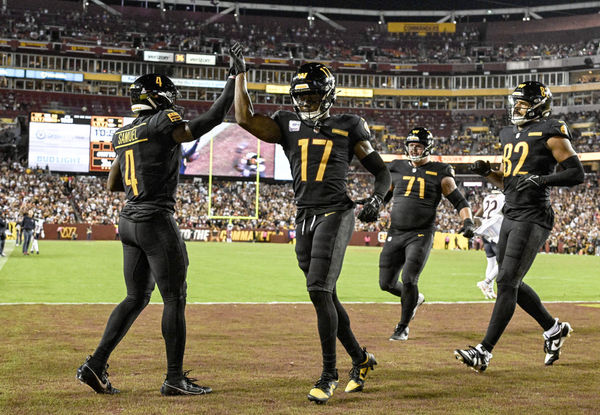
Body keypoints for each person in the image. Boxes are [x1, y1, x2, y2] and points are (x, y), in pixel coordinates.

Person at [76, 46, 243, 396]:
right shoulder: (162, 121)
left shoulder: (123, 134)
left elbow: (112, 183)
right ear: (159, 99)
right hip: (155, 219)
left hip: (128, 220)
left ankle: (96, 363)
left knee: (135, 297)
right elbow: (205, 123)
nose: (173, 105)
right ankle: (174, 378)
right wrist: (232, 78)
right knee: (174, 298)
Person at [233, 44, 391, 405]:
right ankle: (362, 359)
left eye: (313, 95)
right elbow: (244, 118)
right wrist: (240, 75)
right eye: (301, 96)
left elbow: (382, 173)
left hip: (337, 211)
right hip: (304, 214)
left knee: (319, 290)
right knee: (327, 295)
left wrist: (378, 200)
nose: (306, 102)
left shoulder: (349, 125)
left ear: (329, 95)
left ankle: (328, 374)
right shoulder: (287, 123)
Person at [455, 81, 585, 372]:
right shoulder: (508, 134)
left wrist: (543, 180)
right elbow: (509, 183)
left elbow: (576, 173)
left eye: (523, 103)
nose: (517, 107)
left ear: (538, 105)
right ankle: (553, 329)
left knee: (507, 281)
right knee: (508, 280)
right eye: (515, 102)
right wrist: (488, 172)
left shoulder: (551, 129)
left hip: (534, 214)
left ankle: (483, 352)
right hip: (512, 211)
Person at [379, 127, 475, 341]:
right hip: (396, 232)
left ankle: (403, 326)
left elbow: (459, 201)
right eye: (411, 145)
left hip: (420, 234)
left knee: (409, 279)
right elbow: (385, 195)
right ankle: (415, 300)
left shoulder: (441, 171)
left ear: (427, 147)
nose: (414, 149)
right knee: (385, 283)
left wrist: (467, 221)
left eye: (418, 146)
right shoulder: (396, 167)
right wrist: (373, 206)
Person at [474, 189, 505, 299]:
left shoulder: (487, 198)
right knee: (503, 261)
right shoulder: (503, 198)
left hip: (486, 232)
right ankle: (486, 282)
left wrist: (482, 227)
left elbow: (476, 216)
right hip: (496, 233)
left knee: (491, 262)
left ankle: (489, 290)